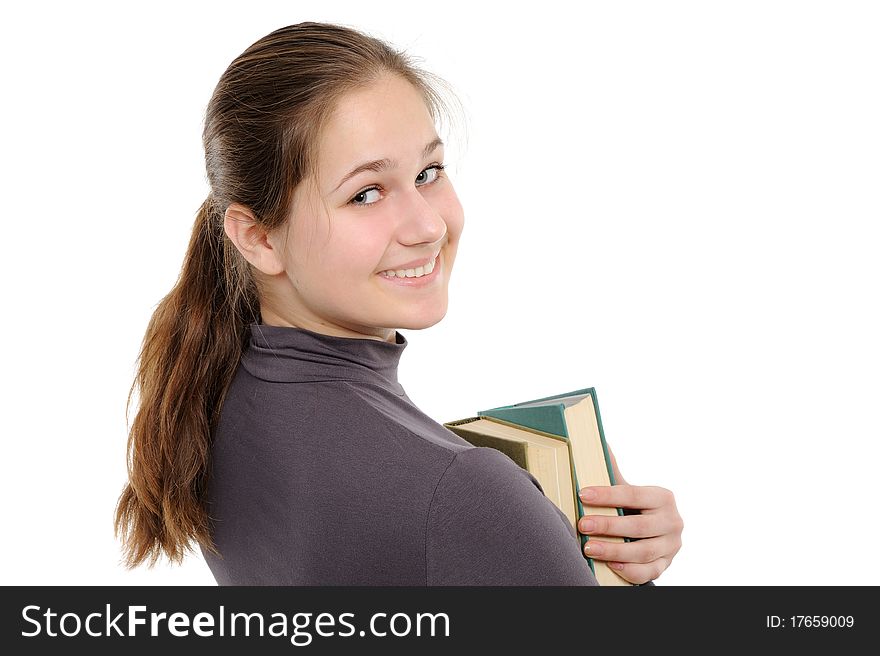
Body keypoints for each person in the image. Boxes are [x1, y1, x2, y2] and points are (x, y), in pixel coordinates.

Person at [114, 22, 683, 585]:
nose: (428, 224)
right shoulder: (465, 496)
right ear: (258, 237)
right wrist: (622, 581)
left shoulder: (216, 396)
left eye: (428, 173)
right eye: (366, 193)